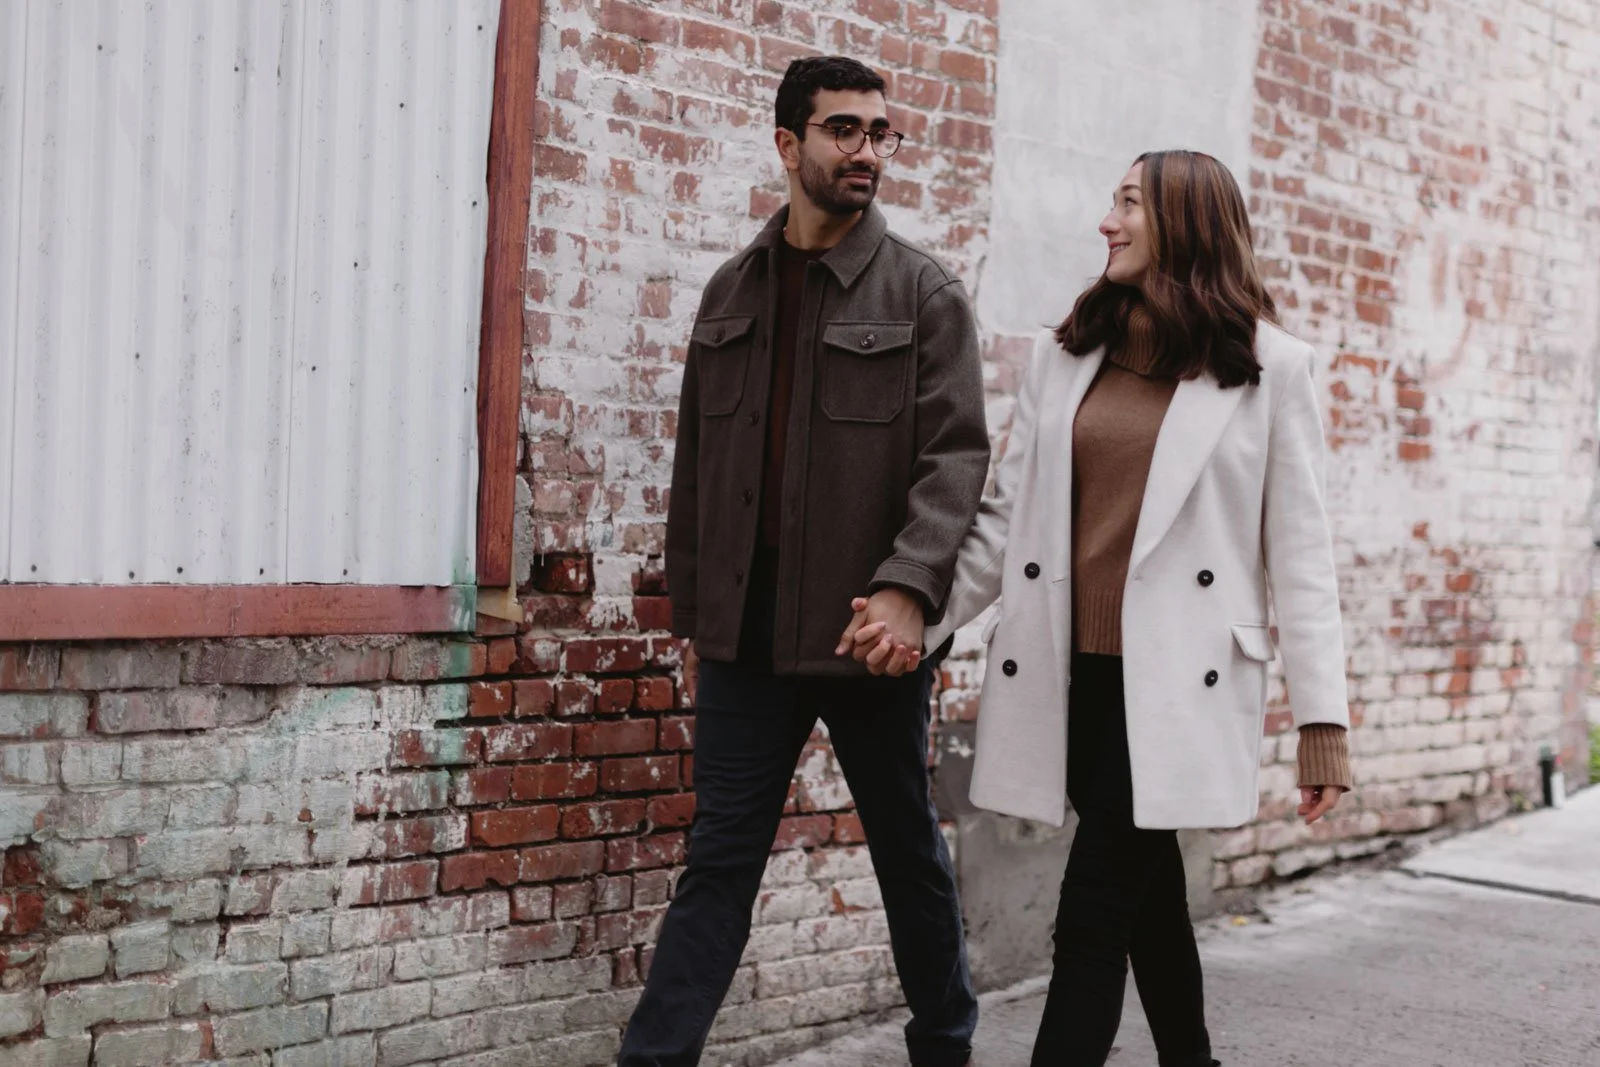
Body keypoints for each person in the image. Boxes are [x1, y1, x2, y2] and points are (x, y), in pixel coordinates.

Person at [846, 150, 1353, 1067]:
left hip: (1178, 688)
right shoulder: (1067, 355)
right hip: (1071, 674)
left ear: (1185, 226)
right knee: (1146, 902)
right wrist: (922, 611)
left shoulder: (1270, 370)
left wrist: (1323, 721)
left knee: (1089, 919)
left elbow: (1303, 555)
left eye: (1127, 204)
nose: (1105, 222)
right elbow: (1007, 521)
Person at [618, 56, 990, 1067]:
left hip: (862, 631)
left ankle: (945, 1045)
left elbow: (953, 461)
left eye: (880, 133)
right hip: (742, 635)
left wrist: (909, 592)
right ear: (788, 144)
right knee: (718, 863)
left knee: (906, 854)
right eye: (843, 131)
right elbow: (699, 466)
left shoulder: (924, 294)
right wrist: (698, 615)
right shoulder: (729, 291)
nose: (867, 151)